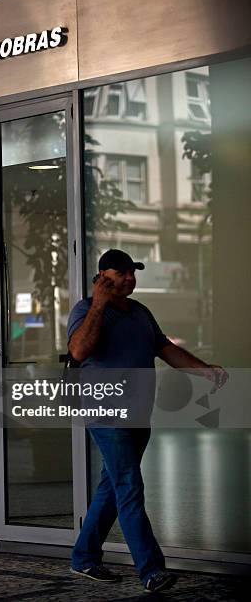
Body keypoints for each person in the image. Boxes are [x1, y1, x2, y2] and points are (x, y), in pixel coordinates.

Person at [67, 249, 228, 594]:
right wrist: (98, 303)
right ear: (101, 277)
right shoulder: (86, 310)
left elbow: (165, 348)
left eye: (132, 272)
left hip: (138, 413)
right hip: (105, 414)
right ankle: (151, 570)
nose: (129, 278)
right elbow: (79, 352)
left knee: (111, 487)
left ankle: (83, 557)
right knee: (128, 487)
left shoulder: (140, 313)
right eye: (120, 273)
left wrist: (206, 371)